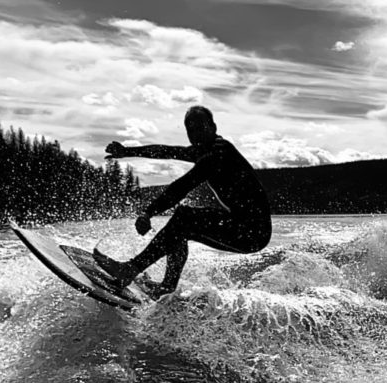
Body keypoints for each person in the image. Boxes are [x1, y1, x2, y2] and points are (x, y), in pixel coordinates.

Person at [95, 105, 271, 297]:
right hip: (241, 224)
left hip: (252, 232)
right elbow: (166, 151)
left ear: (213, 127)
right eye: (191, 130)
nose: (196, 134)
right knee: (183, 221)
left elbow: (182, 187)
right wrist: (127, 151)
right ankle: (166, 286)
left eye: (201, 127)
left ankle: (130, 269)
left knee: (184, 219)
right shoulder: (203, 150)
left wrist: (149, 211)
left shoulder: (219, 153)